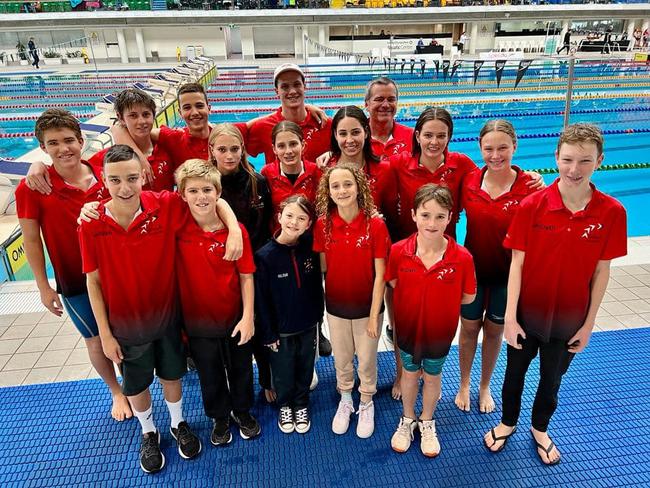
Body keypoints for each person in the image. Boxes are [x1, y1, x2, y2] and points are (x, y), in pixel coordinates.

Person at [484, 124, 627, 465]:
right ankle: (507, 423)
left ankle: (540, 428)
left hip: (569, 321)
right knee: (513, 375)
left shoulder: (611, 213)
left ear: (600, 161)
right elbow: (516, 265)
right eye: (567, 160)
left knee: (551, 380)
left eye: (584, 161)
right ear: (556, 158)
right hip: (527, 314)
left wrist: (588, 325)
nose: (574, 170)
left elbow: (601, 272)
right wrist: (510, 318)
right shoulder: (532, 206)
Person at [79, 145, 202, 473]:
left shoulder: (164, 205)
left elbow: (207, 196)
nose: (125, 187)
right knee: (137, 383)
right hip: (125, 325)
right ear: (103, 180)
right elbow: (93, 282)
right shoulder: (91, 223)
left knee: (172, 374)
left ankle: (178, 424)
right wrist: (104, 334)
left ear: (143, 176)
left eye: (132, 178)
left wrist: (233, 229)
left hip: (166, 317)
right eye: (115, 180)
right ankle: (148, 431)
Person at [15, 109, 131, 423]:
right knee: (95, 337)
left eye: (69, 140)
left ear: (82, 141)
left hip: (118, 273)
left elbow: (124, 132)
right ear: (43, 148)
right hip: (74, 279)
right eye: (53, 143)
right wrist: (43, 286)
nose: (63, 148)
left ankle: (132, 384)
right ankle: (116, 391)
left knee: (123, 334)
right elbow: (31, 240)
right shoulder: (32, 188)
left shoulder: (105, 172)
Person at [174, 159, 261, 446]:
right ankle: (219, 416)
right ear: (183, 194)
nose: (201, 197)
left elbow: (247, 276)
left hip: (234, 315)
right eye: (194, 191)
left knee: (241, 368)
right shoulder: (178, 228)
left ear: (218, 192)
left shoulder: (236, 233)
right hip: (198, 323)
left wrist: (248, 317)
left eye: (208, 190)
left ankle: (243, 411)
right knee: (209, 374)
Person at [455, 120, 538, 414]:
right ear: (480, 148)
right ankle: (464, 382)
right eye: (488, 148)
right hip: (473, 272)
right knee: (468, 330)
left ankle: (484, 385)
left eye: (503, 147)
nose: (495, 155)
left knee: (493, 332)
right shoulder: (469, 182)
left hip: (508, 276)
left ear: (515, 147)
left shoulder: (530, 185)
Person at [388, 184, 476, 457]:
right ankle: (407, 418)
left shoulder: (462, 258)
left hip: (439, 334)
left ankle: (427, 420)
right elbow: (393, 283)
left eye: (440, 216)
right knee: (410, 375)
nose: (432, 223)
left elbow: (468, 298)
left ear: (450, 218)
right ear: (413, 215)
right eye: (425, 215)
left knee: (434, 376)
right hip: (407, 331)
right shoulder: (399, 251)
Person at [314, 164, 390, 439]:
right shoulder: (323, 224)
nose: (342, 190)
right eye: (336, 186)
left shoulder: (375, 224)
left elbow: (381, 274)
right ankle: (346, 398)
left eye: (348, 184)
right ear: (328, 191)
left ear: (359, 187)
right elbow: (324, 268)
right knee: (342, 358)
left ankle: (366, 400)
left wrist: (373, 315)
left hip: (367, 308)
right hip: (336, 307)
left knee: (367, 359)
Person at [207, 123, 276, 402]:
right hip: (219, 268)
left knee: (258, 324)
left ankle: (267, 378)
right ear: (211, 151)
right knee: (228, 328)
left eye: (234, 149)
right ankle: (233, 383)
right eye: (222, 149)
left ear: (243, 149)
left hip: (254, 267)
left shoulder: (257, 182)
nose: (229, 155)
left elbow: (267, 226)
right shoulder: (207, 185)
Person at [260, 121, 331, 358]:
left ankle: (317, 330)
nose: (288, 150)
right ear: (274, 148)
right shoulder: (267, 173)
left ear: (303, 144)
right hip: (280, 245)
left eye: (293, 144)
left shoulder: (316, 171)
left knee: (313, 288)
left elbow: (324, 208)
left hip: (309, 244)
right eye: (282, 145)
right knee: (285, 290)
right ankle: (284, 330)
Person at [255, 195, 324, 435]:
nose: (294, 222)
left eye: (301, 218)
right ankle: (285, 405)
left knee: (305, 367)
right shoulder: (265, 256)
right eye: (290, 216)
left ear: (308, 224)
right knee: (283, 371)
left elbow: (316, 285)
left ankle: (301, 404)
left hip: (307, 324)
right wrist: (268, 332)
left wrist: (318, 316)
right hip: (280, 330)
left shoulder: (310, 247)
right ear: (279, 217)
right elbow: (261, 300)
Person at [240, 64, 332, 165]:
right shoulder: (263, 127)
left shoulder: (324, 123)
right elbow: (229, 139)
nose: (292, 91)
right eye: (285, 87)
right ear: (277, 91)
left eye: (297, 84)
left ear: (304, 87)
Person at [328, 105, 398, 236]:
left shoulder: (384, 170)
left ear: (366, 132)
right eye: (343, 133)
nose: (349, 140)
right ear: (335, 135)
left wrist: (380, 221)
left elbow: (392, 217)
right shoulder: (326, 170)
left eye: (355, 132)